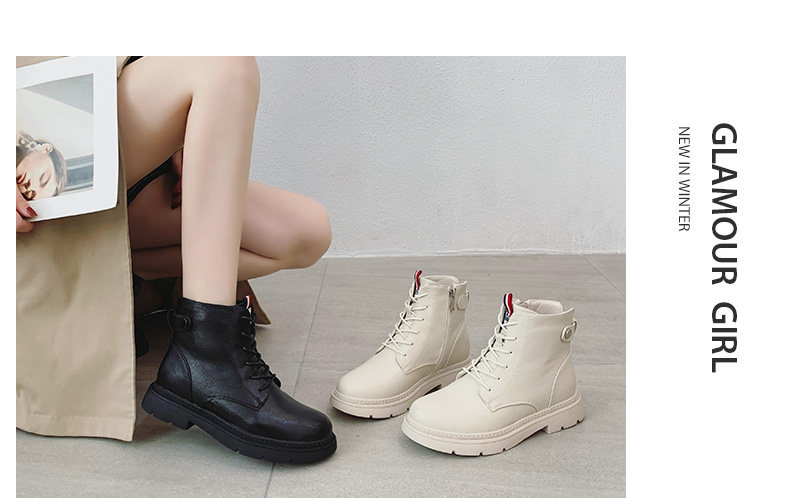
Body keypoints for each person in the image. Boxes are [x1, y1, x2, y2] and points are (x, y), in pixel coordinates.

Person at [16, 56, 337, 463]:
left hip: (109, 97)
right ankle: (207, 355)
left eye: (44, 176)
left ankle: (129, 278)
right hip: (25, 101)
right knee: (222, 63)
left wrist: (187, 128)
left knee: (306, 233)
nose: (36, 181)